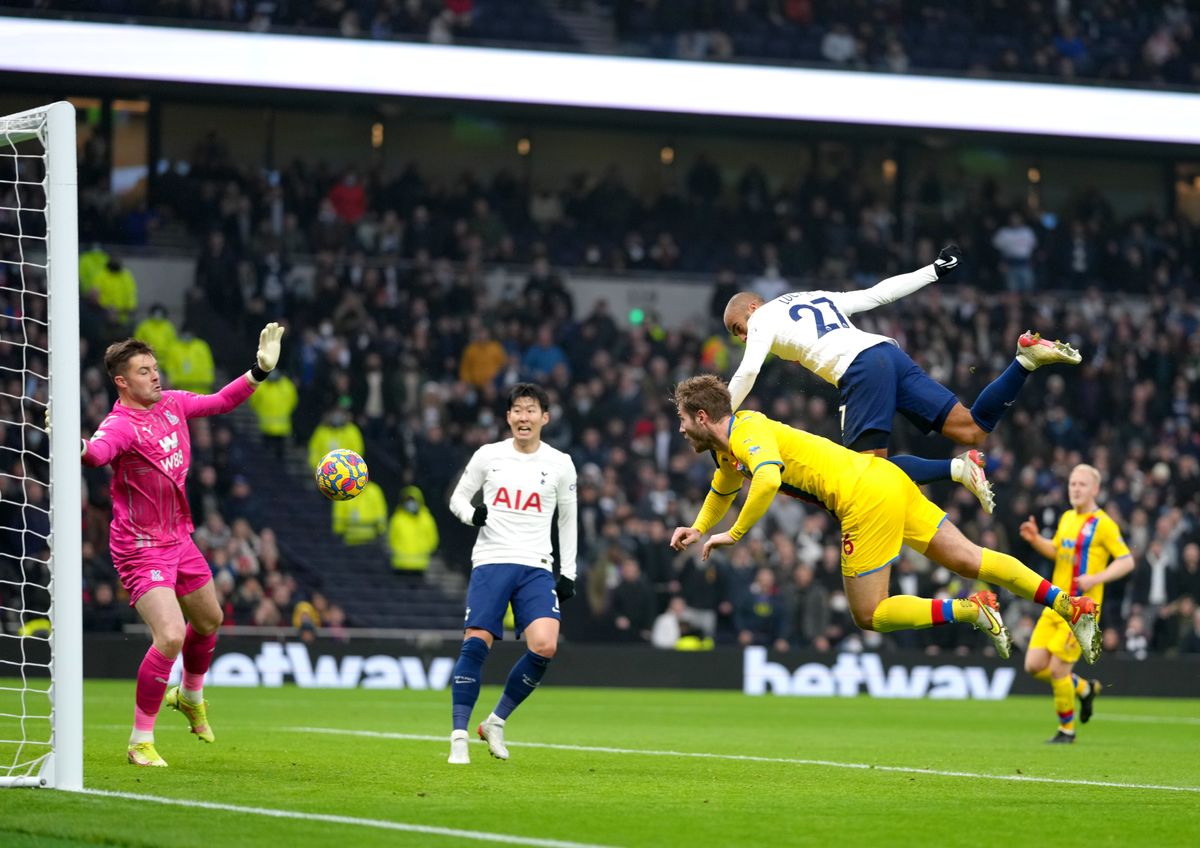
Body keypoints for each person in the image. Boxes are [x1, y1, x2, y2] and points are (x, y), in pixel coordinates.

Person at [667, 375, 1100, 663]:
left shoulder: (747, 432)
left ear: (702, 416)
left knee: (869, 614)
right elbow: (723, 488)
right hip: (884, 479)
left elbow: (765, 480)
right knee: (972, 559)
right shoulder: (729, 449)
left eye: (684, 421)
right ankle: (1070, 605)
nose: (682, 430)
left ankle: (970, 610)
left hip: (863, 500)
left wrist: (734, 534)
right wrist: (701, 527)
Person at [721, 246, 1082, 513]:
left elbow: (749, 370)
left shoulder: (762, 319)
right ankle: (1025, 361)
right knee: (972, 429)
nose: (742, 336)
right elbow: (877, 295)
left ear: (752, 308)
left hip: (860, 370)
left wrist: (724, 419)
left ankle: (957, 468)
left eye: (738, 328)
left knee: (867, 475)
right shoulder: (813, 298)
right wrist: (934, 271)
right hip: (887, 355)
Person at [80, 323, 285, 767]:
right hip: (139, 546)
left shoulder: (172, 403)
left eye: (155, 368)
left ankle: (190, 696)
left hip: (178, 537)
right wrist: (72, 444)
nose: (155, 376)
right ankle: (140, 740)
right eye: (144, 371)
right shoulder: (120, 425)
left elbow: (220, 401)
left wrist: (258, 371)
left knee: (209, 619)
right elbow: (96, 454)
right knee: (170, 635)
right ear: (122, 382)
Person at [445, 383, 578, 765]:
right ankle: (458, 736)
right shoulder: (489, 456)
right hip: (492, 559)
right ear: (508, 418)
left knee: (545, 645)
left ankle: (496, 722)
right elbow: (458, 497)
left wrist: (567, 572)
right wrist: (472, 515)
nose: (524, 416)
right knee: (477, 643)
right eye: (517, 410)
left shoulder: (560, 463)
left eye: (531, 410)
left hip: (536, 565)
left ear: (545, 418)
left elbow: (568, 520)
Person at [1018, 464, 1134, 744]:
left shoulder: (1104, 524)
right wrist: (1036, 540)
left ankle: (1066, 730)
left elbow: (1127, 560)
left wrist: (1097, 577)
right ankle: (1084, 689)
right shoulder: (1067, 517)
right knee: (1033, 665)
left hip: (1081, 612)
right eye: (1072, 484)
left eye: (1082, 484)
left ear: (1095, 489)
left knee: (1059, 669)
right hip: (1055, 603)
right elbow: (1058, 552)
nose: (1076, 489)